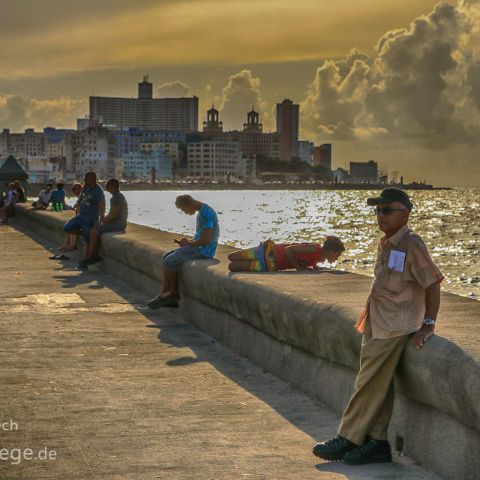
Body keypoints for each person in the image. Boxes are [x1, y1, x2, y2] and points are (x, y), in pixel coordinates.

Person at [312, 188, 443, 465]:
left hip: (396, 326)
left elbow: (432, 284)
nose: (379, 216)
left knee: (367, 381)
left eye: (386, 210)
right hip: (377, 321)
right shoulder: (385, 244)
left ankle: (348, 436)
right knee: (380, 385)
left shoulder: (412, 244)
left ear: (405, 214)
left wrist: (428, 325)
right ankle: (378, 442)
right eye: (377, 211)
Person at [147, 194, 219, 309]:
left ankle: (174, 294)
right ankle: (167, 290)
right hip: (198, 247)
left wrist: (189, 244)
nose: (185, 213)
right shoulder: (202, 211)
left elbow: (206, 240)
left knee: (171, 261)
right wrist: (186, 243)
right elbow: (201, 237)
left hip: (205, 250)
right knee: (166, 256)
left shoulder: (206, 214)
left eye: (184, 210)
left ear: (189, 205)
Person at [79, 178, 128, 268]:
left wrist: (101, 221)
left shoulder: (117, 198)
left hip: (118, 225)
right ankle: (92, 256)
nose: (106, 186)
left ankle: (93, 256)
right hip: (117, 223)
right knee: (94, 229)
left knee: (94, 231)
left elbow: (112, 216)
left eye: (107, 185)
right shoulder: (117, 196)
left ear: (112, 187)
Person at [228, 236, 345, 272]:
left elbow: (311, 262)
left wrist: (315, 268)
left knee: (232, 267)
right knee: (231, 257)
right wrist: (299, 268)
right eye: (337, 255)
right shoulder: (314, 248)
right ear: (330, 251)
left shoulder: (318, 259)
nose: (336, 259)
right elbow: (288, 250)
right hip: (266, 251)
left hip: (268, 265)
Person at [63, 172, 105, 269]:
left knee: (88, 239)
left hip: (90, 218)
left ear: (92, 179)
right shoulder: (86, 187)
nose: (84, 180)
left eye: (86, 178)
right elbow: (80, 198)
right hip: (81, 216)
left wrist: (101, 220)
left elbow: (102, 206)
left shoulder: (98, 191)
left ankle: (86, 261)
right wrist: (77, 204)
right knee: (67, 228)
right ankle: (82, 232)